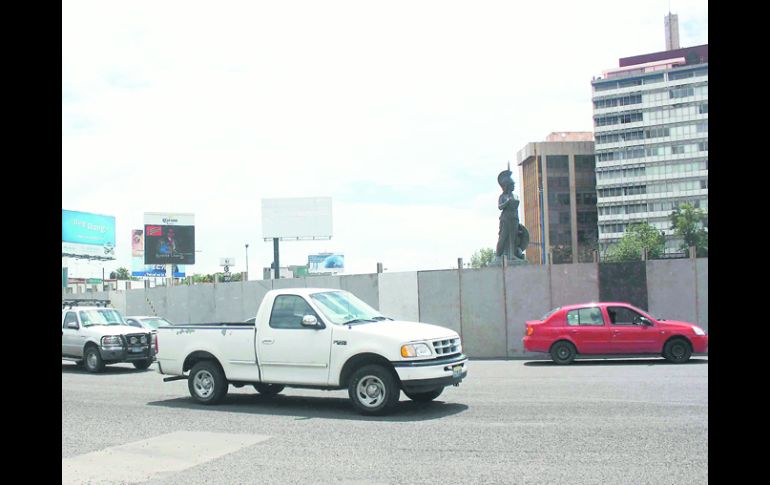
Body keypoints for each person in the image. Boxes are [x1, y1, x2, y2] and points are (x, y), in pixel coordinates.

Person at [495, 169, 522, 260]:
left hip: (514, 218)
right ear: (507, 186)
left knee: (513, 237)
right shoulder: (502, 196)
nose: (514, 186)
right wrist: (507, 202)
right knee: (503, 236)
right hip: (505, 219)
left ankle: (512, 255)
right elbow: (500, 207)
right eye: (512, 184)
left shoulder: (516, 196)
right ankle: (498, 255)